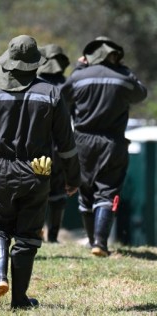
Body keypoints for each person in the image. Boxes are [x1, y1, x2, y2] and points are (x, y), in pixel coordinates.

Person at [0, 35, 80, 309]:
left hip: (1, 170)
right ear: (35, 63)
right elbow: (66, 142)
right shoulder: (52, 93)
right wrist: (73, 177)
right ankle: (19, 299)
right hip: (37, 171)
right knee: (28, 235)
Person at [61, 36, 147, 257]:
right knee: (106, 192)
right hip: (112, 142)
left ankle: (92, 242)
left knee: (86, 192)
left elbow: (63, 96)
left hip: (81, 141)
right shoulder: (123, 77)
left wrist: (80, 68)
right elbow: (141, 93)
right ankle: (101, 243)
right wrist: (124, 70)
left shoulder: (79, 76)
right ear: (114, 55)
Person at [37, 44, 71, 243]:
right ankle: (54, 236)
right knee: (58, 190)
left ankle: (35, 231)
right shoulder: (68, 85)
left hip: (38, 145)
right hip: (61, 145)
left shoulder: (34, 84)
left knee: (37, 187)